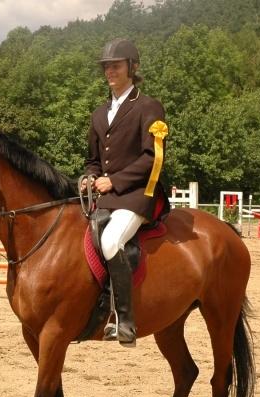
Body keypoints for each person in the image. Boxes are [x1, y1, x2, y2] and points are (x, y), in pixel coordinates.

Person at [83, 38, 170, 347]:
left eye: (116, 66)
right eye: (106, 67)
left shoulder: (148, 107)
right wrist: (90, 178)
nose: (110, 72)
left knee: (110, 241)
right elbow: (93, 160)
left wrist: (114, 181)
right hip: (107, 196)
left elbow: (153, 158)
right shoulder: (99, 113)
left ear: (133, 67)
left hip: (137, 194)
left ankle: (125, 321)